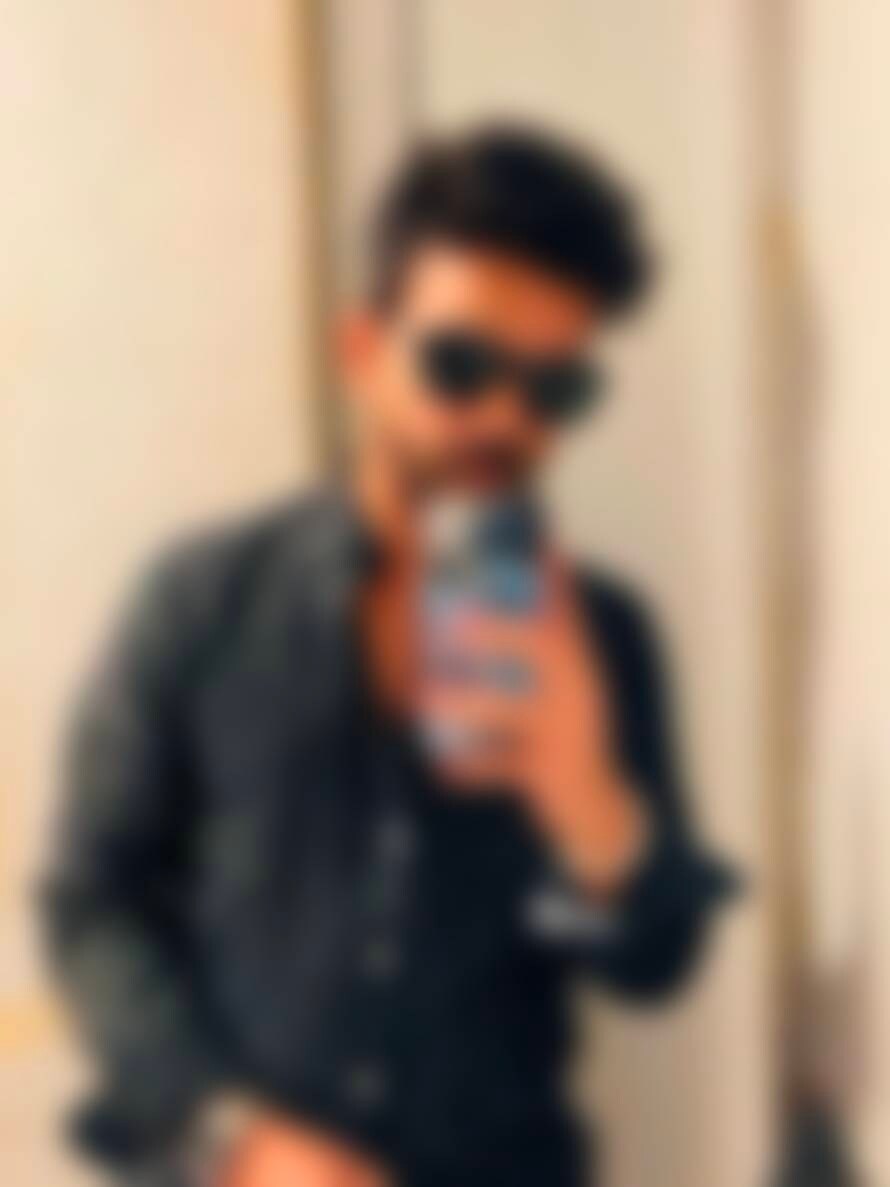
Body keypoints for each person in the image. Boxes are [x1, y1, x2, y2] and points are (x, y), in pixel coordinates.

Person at [43, 126, 735, 1187]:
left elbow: (654, 966)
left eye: (554, 389)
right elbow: (93, 901)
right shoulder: (205, 601)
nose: (504, 416)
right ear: (363, 350)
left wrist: (586, 798)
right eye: (461, 364)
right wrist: (238, 1137)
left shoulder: (603, 636)